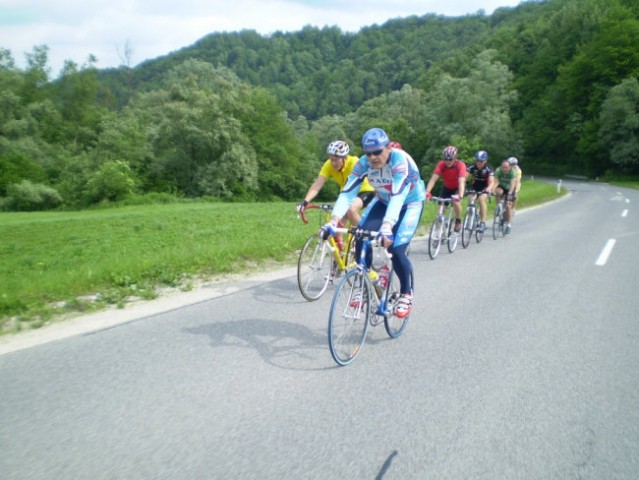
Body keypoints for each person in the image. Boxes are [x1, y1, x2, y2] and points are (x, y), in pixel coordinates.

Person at [319, 128, 425, 319]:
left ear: (388, 147)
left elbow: (398, 195)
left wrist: (387, 226)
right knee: (361, 234)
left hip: (409, 204)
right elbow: (347, 193)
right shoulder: (362, 164)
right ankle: (363, 283)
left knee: (397, 249)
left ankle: (406, 293)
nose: (373, 157)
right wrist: (334, 221)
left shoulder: (400, 161)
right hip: (384, 202)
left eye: (378, 152)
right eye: (369, 153)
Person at [296, 140, 375, 226]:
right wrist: (305, 202)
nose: (333, 163)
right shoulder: (328, 165)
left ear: (344, 157)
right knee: (336, 220)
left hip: (365, 190)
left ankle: (365, 235)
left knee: (350, 211)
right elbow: (317, 185)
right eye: (331, 159)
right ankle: (339, 239)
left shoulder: (355, 162)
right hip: (347, 193)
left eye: (336, 160)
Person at [424, 145, 467, 232]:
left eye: (450, 159)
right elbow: (433, 179)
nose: (448, 162)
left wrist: (460, 195)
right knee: (440, 211)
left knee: (455, 201)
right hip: (447, 188)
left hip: (457, 188)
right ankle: (437, 235)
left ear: (455, 158)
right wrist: (427, 192)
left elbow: (461, 181)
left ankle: (458, 220)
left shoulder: (460, 165)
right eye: (445, 159)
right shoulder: (441, 164)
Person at [466, 150, 495, 233]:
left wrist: (489, 188)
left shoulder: (488, 168)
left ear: (485, 161)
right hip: (475, 186)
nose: (479, 163)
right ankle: (469, 218)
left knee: (481, 200)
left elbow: (492, 181)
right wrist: (462, 185)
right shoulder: (472, 166)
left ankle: (482, 223)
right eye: (477, 160)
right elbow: (464, 176)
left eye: (481, 161)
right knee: (470, 199)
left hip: (485, 187)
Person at [493, 159, 519, 234]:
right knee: (497, 192)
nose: (504, 169)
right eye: (503, 167)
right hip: (501, 186)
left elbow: (512, 184)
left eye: (506, 167)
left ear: (509, 167)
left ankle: (508, 224)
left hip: (510, 188)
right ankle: (498, 205)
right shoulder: (498, 170)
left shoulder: (513, 172)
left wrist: (510, 193)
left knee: (508, 205)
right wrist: (492, 190)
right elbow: (496, 182)